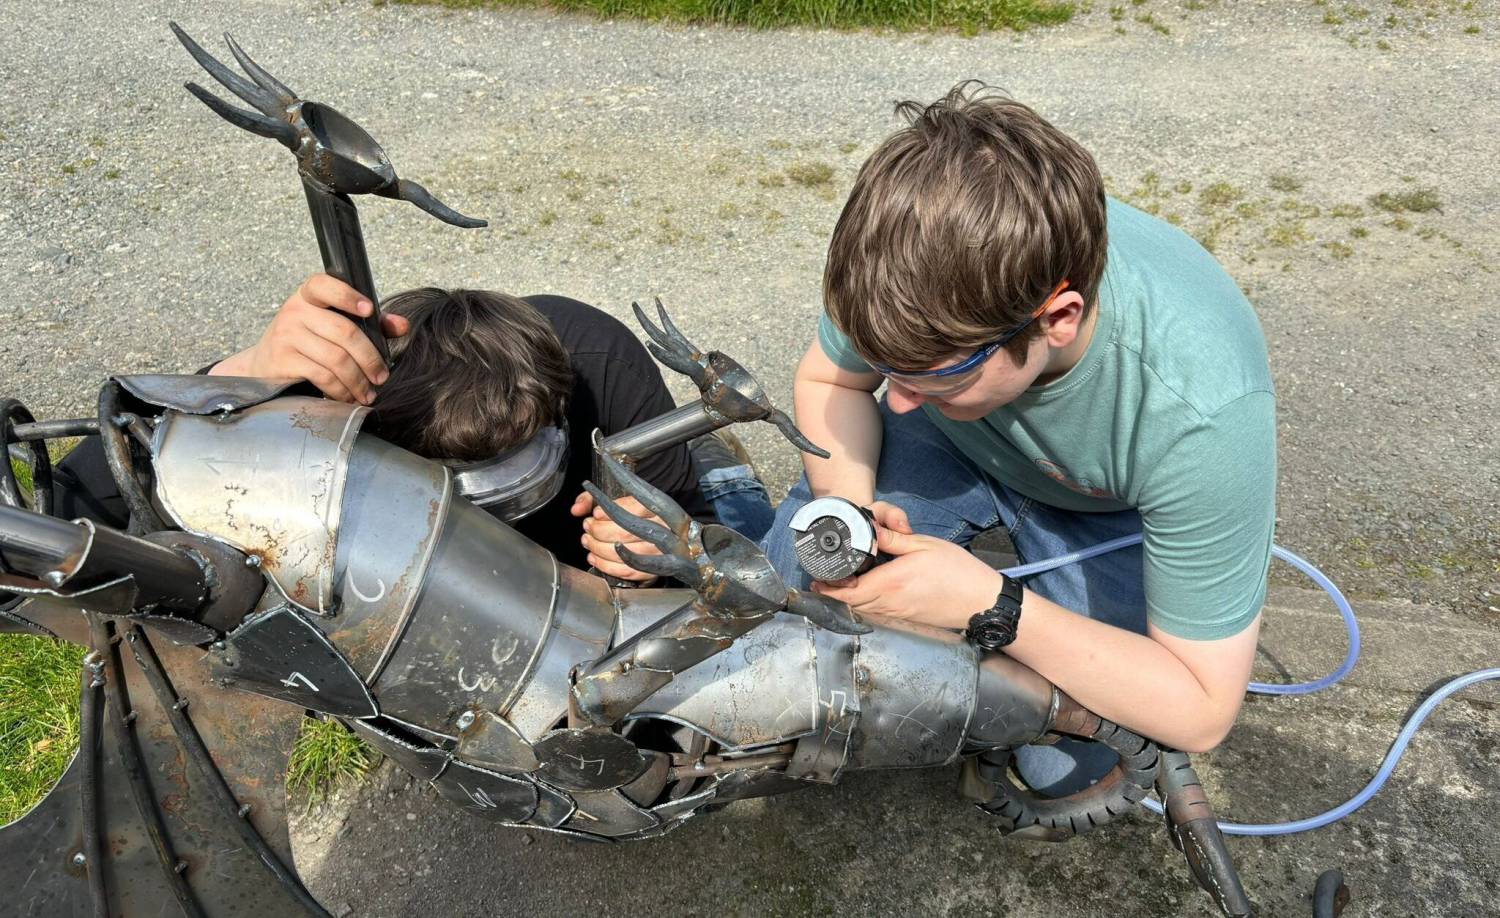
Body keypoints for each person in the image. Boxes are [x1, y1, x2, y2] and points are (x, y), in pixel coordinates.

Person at [758, 83, 1276, 794]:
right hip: (963, 444)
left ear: (1056, 317)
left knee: (1054, 767)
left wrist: (994, 608)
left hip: (1104, 507)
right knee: (778, 618)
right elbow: (831, 384)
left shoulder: (1202, 414)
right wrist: (853, 515)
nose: (897, 400)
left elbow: (1203, 709)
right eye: (887, 367)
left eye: (931, 377)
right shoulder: (907, 274)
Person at [53, 275, 770, 578]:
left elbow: (706, 543)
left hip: (628, 508)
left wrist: (668, 553)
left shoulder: (597, 358)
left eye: (524, 462)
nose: (507, 487)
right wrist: (242, 373)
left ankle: (712, 445)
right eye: (472, 479)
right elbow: (75, 503)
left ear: (556, 406)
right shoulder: (332, 396)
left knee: (752, 565)